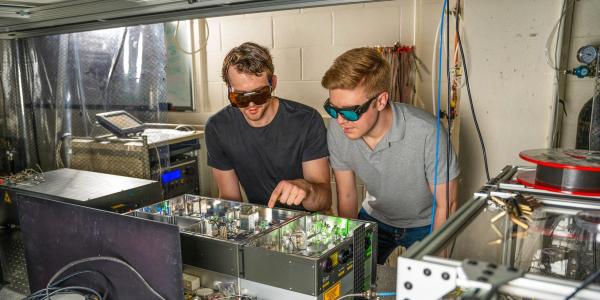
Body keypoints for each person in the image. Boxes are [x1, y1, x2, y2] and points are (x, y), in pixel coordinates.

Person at [321, 47, 459, 264]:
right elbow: (347, 195)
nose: (340, 121)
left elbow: (446, 205)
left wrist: (435, 267)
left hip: (425, 223)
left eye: (349, 112)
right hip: (376, 217)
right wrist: (347, 254)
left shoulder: (428, 132)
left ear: (381, 100)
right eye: (332, 109)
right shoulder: (338, 129)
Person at [205, 42, 331, 212]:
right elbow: (230, 198)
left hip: (309, 222)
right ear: (229, 90)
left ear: (273, 83)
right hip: (260, 221)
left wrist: (307, 190)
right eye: (240, 97)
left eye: (259, 94)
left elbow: (324, 201)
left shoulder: (306, 120)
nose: (251, 104)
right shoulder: (218, 128)